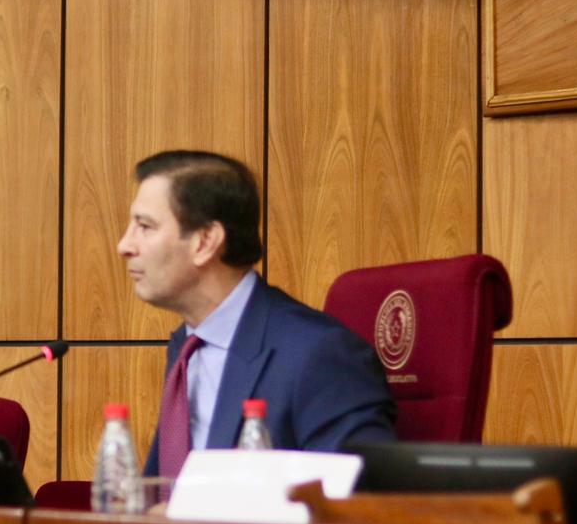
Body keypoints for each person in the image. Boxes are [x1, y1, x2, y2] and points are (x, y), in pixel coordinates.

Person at [116, 150, 395, 478]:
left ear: (205, 242)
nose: (124, 246)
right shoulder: (186, 347)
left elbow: (355, 493)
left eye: (145, 227)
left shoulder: (318, 354)